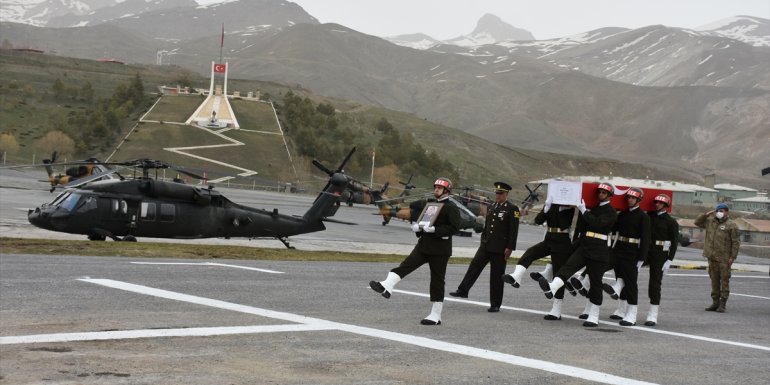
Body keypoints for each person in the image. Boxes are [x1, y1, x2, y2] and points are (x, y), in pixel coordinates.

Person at [369, 177, 461, 325]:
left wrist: (436, 230)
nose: (436, 189)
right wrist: (417, 227)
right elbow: (424, 220)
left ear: (446, 191)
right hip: (424, 245)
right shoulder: (431, 204)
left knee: (437, 281)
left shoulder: (451, 207)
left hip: (440, 250)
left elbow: (455, 227)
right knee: (405, 265)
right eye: (435, 187)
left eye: (439, 188)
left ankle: (435, 315)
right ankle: (387, 285)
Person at [537, 183, 618, 327]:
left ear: (610, 196)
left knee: (595, 281)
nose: (601, 194)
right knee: (568, 266)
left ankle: (594, 314)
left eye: (604, 193)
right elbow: (582, 227)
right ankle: (553, 286)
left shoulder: (611, 211)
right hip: (585, 245)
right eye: (599, 192)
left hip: (599, 249)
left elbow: (598, 224)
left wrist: (584, 211)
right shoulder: (592, 208)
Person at [501, 193, 575, 320]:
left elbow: (564, 223)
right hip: (549, 239)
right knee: (530, 252)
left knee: (558, 273)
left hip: (562, 241)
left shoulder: (569, 206)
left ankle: (556, 310)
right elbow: (538, 221)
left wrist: (564, 207)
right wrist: (546, 208)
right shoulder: (550, 205)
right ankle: (516, 277)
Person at [449, 182, 520, 312]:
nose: (498, 196)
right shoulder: (492, 206)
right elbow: (488, 225)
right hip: (486, 245)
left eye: (500, 194)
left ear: (506, 194)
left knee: (496, 276)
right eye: (497, 193)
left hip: (500, 248)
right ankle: (463, 290)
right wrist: (483, 239)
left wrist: (510, 248)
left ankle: (495, 304)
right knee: (474, 265)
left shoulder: (512, 209)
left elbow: (513, 230)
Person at [603, 187, 650, 326]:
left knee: (630, 284)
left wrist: (642, 258)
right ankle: (621, 310)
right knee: (619, 278)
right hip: (619, 249)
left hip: (632, 253)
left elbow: (645, 239)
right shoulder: (622, 214)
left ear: (638, 200)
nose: (630, 200)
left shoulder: (643, 217)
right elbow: (613, 228)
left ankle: (632, 314)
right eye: (628, 197)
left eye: (633, 198)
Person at [695, 203, 740, 313]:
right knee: (714, 280)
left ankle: (723, 303)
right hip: (712, 256)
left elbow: (736, 242)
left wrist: (732, 257)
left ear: (727, 212)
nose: (720, 212)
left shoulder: (732, 225)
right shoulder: (710, 222)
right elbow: (697, 222)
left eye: (723, 210)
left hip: (724, 258)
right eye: (718, 210)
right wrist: (706, 214)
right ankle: (715, 302)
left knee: (724, 281)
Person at [644, 193, 679, 326]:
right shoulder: (649, 216)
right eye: (656, 202)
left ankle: (653, 314)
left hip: (660, 254)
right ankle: (623, 308)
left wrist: (670, 259)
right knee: (629, 273)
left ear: (665, 205)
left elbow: (674, 243)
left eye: (659, 203)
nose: (656, 204)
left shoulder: (671, 222)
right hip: (647, 251)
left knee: (655, 283)